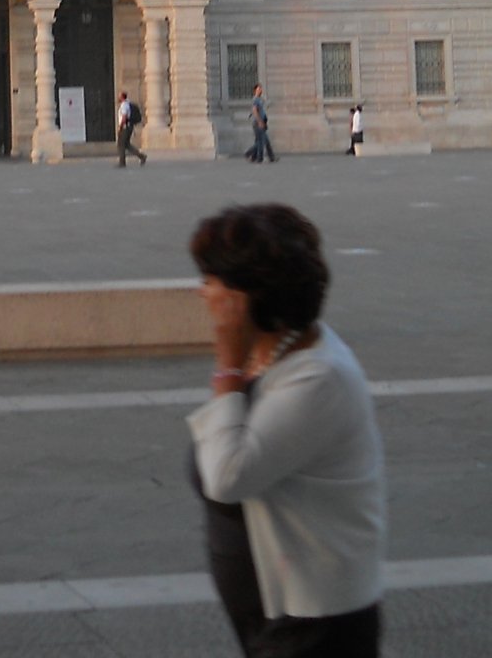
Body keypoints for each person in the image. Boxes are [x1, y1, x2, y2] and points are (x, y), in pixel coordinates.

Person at [186, 203, 385, 657]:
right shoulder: (276, 355)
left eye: (210, 281)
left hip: (313, 624)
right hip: (277, 612)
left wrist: (227, 367)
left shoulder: (318, 376)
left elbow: (228, 476)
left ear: (247, 297)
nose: (201, 293)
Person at [117, 90, 147, 167]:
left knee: (121, 145)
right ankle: (141, 156)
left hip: (125, 127)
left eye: (119, 96)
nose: (118, 97)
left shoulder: (124, 105)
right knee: (126, 144)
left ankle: (122, 162)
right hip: (128, 126)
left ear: (122, 97)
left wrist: (120, 127)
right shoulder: (127, 104)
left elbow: (124, 117)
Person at [247, 85, 275, 164]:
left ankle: (255, 157)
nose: (260, 90)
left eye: (261, 89)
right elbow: (255, 111)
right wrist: (260, 122)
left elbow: (261, 111)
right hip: (258, 123)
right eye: (259, 89)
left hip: (262, 122)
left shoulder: (260, 100)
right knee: (261, 141)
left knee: (262, 141)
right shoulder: (255, 100)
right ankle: (254, 156)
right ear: (255, 90)